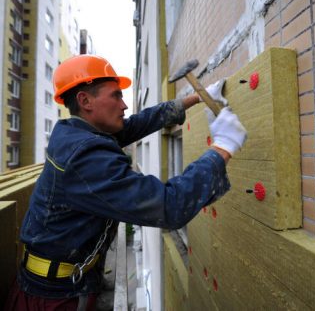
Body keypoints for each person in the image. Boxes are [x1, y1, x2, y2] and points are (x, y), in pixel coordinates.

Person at [5, 54, 247, 310]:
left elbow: (134, 125)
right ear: (85, 100)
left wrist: (197, 97)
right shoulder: (85, 157)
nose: (124, 105)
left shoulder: (75, 133)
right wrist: (223, 147)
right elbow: (169, 206)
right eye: (116, 96)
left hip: (61, 281)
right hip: (53, 299)